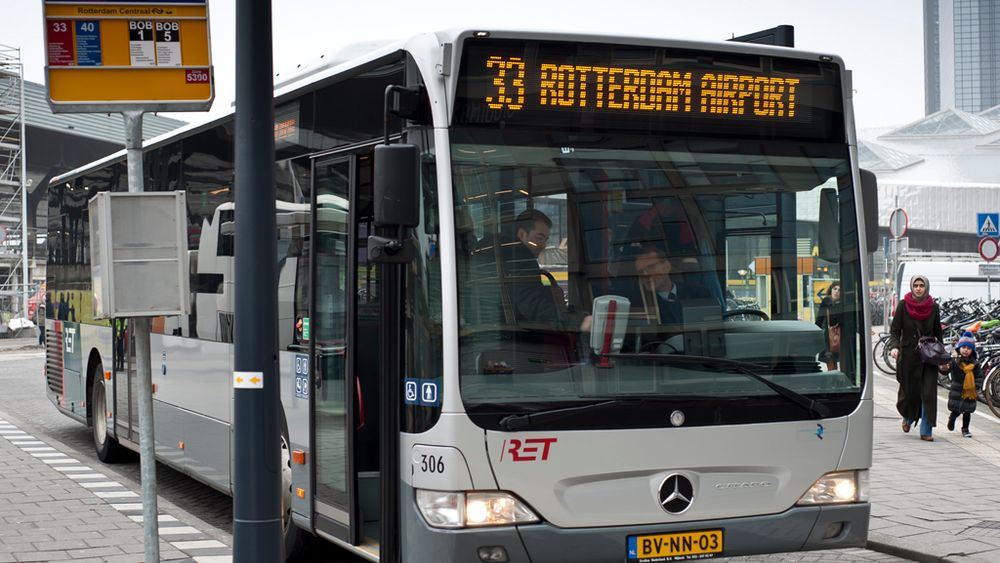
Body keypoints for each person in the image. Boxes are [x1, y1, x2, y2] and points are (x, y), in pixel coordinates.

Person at [889, 275, 944, 442]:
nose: (919, 288)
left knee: (928, 393)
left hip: (928, 357)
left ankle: (926, 430)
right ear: (912, 287)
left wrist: (943, 357)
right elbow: (895, 330)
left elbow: (938, 332)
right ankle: (908, 417)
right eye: (916, 285)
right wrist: (894, 347)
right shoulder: (903, 305)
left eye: (921, 285)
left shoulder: (933, 307)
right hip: (908, 357)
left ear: (926, 287)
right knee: (910, 392)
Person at [632, 244, 715, 326]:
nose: (645, 275)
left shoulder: (699, 294)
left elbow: (714, 327)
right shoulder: (639, 306)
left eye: (651, 267)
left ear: (667, 267)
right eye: (641, 272)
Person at [942, 332, 983, 438]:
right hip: (957, 389)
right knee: (956, 409)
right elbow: (946, 370)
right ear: (959, 348)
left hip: (969, 390)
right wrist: (944, 367)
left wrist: (976, 385)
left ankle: (965, 429)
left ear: (972, 350)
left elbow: (979, 376)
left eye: (968, 348)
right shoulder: (955, 361)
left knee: (967, 411)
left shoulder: (975, 364)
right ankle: (952, 418)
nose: (965, 350)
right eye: (963, 347)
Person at [815, 281, 842, 371]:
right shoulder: (826, 302)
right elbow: (819, 319)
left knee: (836, 360)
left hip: (841, 336)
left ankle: (835, 378)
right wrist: (815, 331)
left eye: (839, 290)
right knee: (830, 360)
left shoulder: (842, 303)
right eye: (835, 289)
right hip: (829, 337)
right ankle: (833, 378)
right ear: (831, 289)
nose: (836, 291)